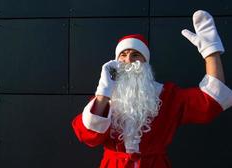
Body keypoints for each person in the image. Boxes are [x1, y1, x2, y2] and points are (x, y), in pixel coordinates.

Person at [71, 10, 232, 168]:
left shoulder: (167, 95)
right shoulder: (105, 98)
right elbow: (89, 137)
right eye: (123, 55)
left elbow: (212, 100)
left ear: (145, 62)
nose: (128, 60)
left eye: (135, 55)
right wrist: (103, 91)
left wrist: (211, 53)